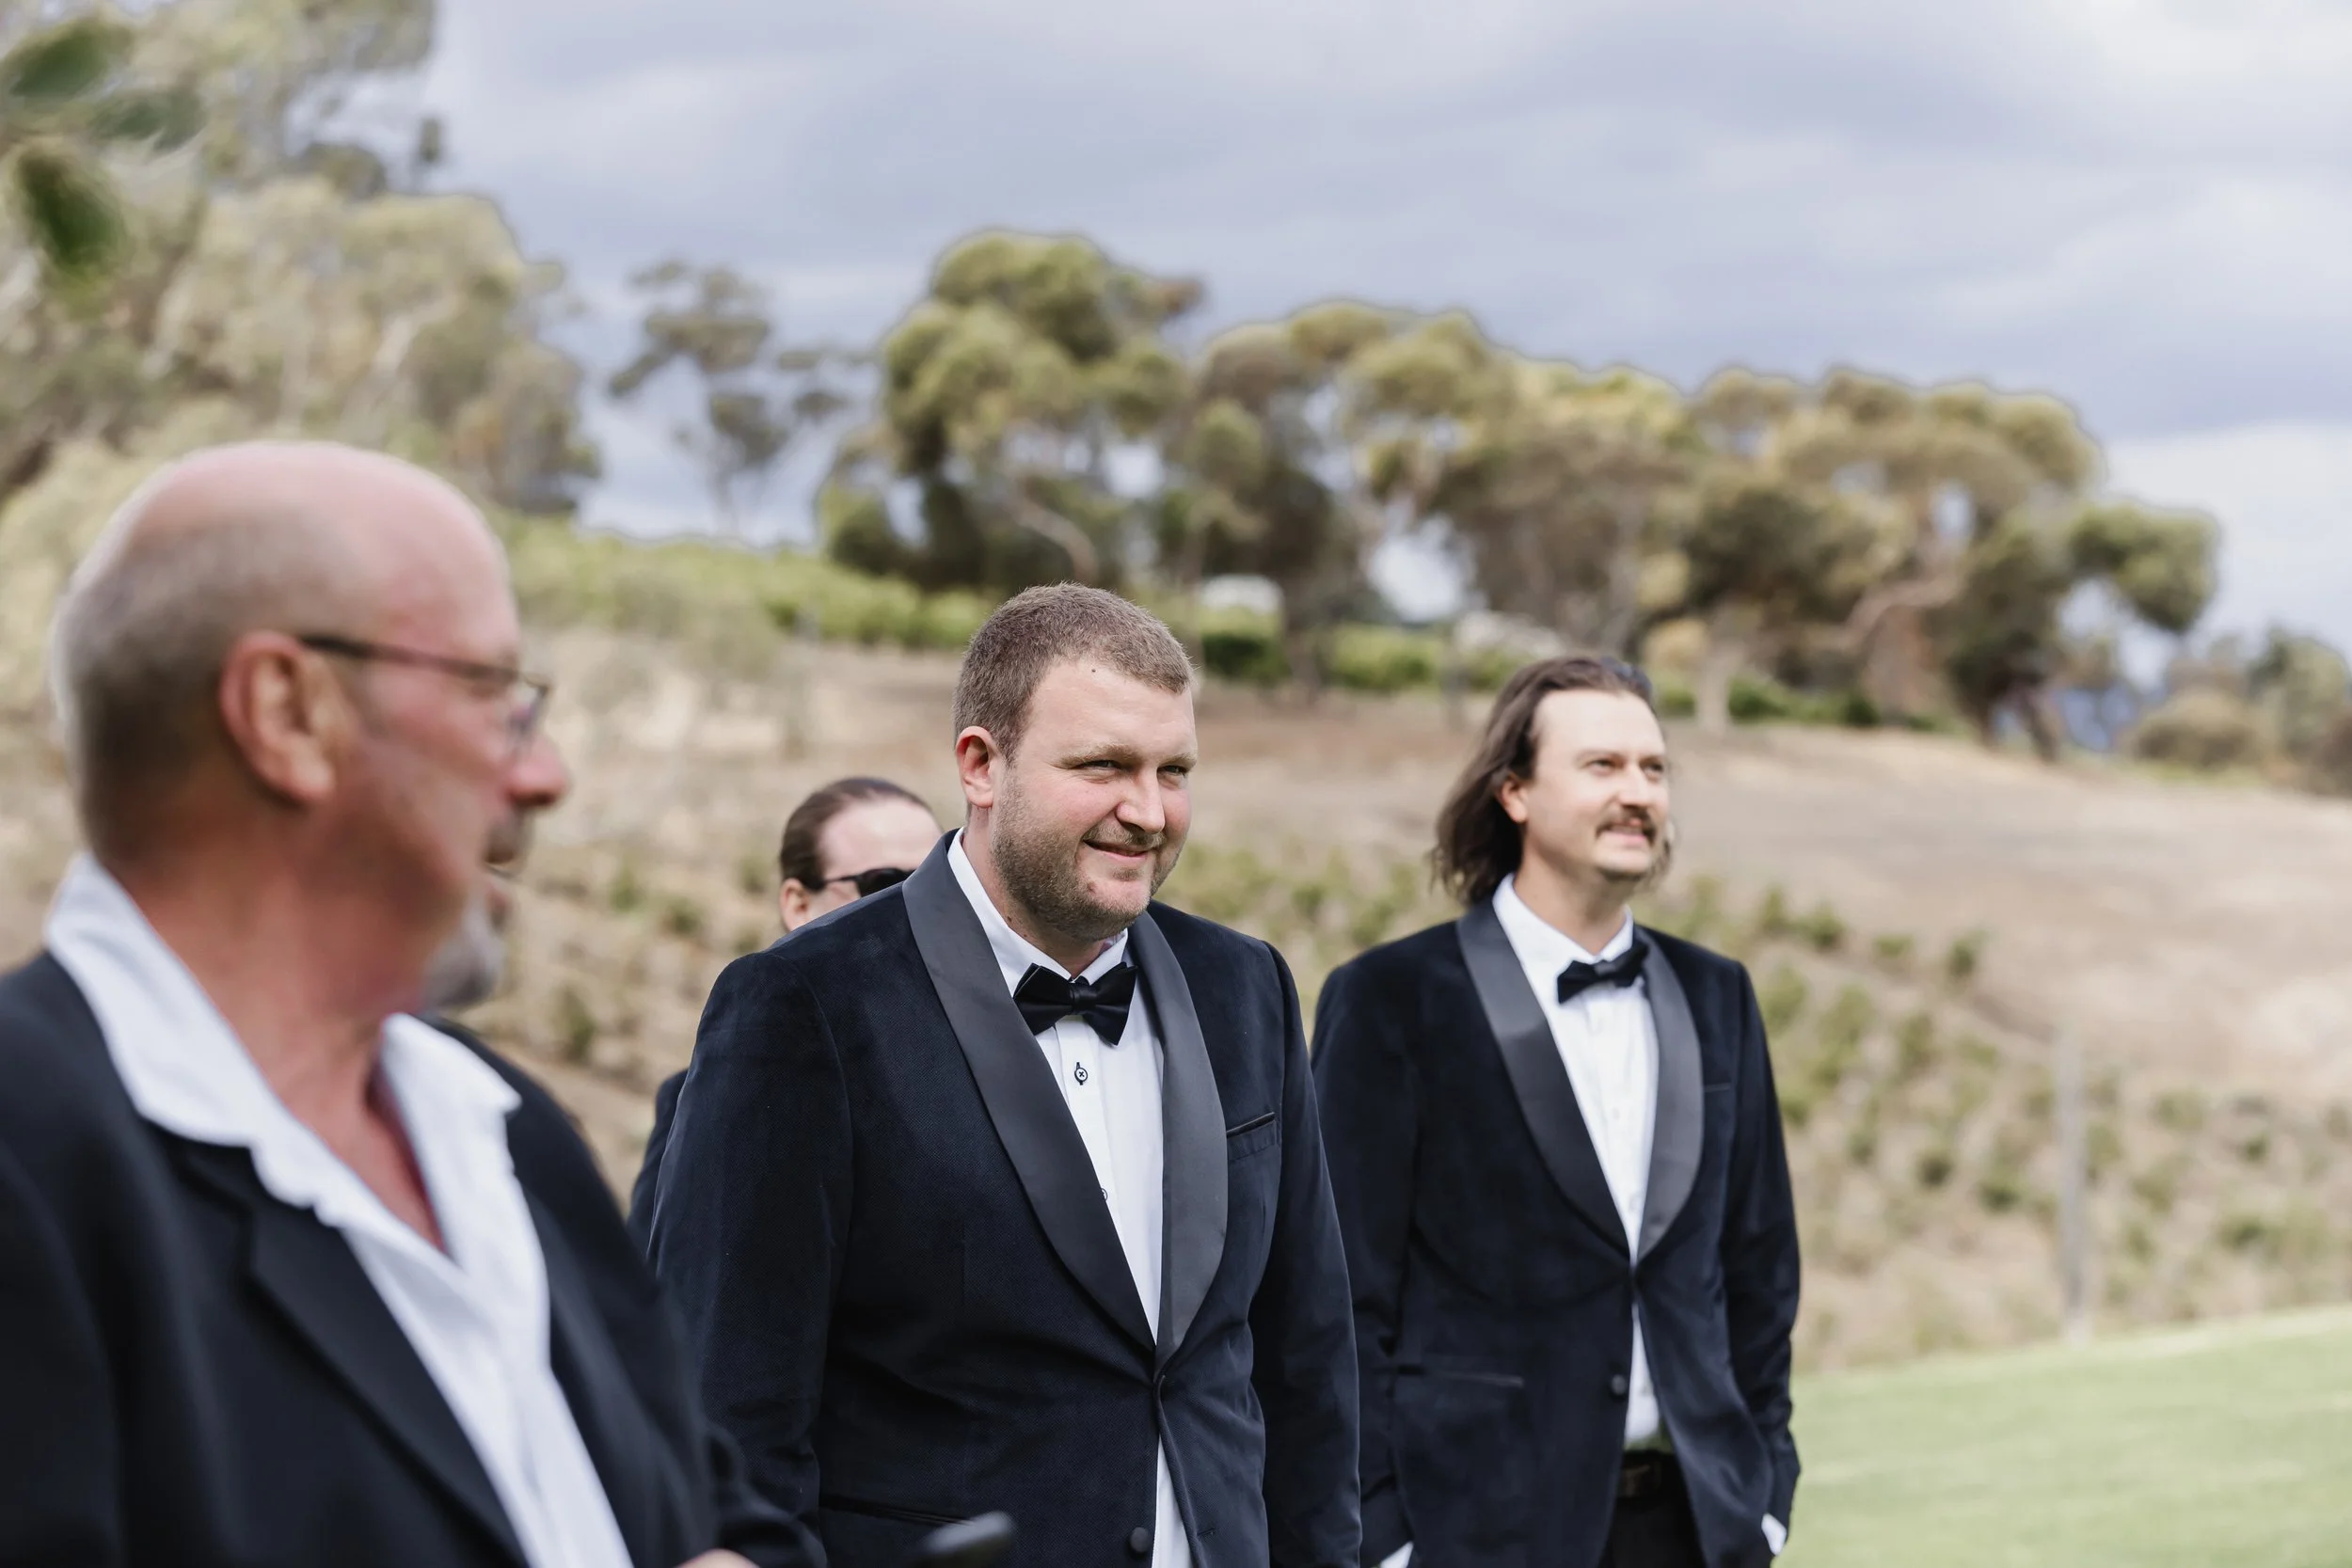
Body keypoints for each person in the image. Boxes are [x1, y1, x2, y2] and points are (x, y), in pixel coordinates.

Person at [0, 441, 804, 1568]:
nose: (546, 774)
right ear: (287, 713)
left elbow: (718, 1515)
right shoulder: (31, 1160)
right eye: (497, 697)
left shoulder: (505, 1126)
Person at [649, 584, 1361, 1567]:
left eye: (1174, 769)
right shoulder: (802, 1005)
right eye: (1103, 765)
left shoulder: (1246, 985)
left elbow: (1306, 1357)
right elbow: (727, 1407)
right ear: (981, 765)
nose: (1148, 811)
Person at [1313, 657, 1801, 1568]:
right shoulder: (1391, 998)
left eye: (1653, 769)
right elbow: (1340, 1292)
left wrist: (1765, 1490)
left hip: (1699, 1526)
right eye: (1602, 766)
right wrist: (1381, 1533)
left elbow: (1759, 1264)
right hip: (1474, 1532)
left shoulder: (1717, 993)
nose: (1638, 793)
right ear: (1514, 792)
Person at [627, 777, 942, 1249]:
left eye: (939, 884)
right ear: (798, 904)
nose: (914, 908)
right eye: (884, 886)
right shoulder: (722, 1090)